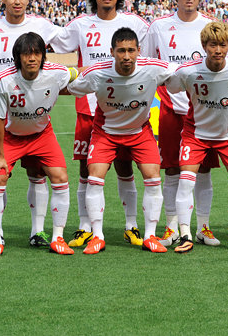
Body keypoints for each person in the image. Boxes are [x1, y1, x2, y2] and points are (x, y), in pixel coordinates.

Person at [51, 0, 150, 249]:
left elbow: (152, 52)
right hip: (90, 109)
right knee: (86, 169)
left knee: (125, 166)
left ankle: (131, 225)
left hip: (126, 109)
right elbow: (54, 44)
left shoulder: (135, 24)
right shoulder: (81, 25)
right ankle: (85, 226)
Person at [66, 27, 171, 254]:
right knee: (94, 175)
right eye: (121, 50)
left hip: (139, 132)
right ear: (111, 51)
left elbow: (183, 73)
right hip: (105, 132)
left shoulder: (153, 68)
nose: (126, 56)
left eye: (131, 50)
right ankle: (98, 236)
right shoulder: (97, 72)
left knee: (153, 175)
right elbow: (72, 87)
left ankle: (150, 235)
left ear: (138, 51)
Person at [0, 0, 61, 248]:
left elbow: (67, 43)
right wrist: (7, 94)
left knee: (38, 175)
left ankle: (37, 231)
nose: (17, 1)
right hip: (6, 112)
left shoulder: (41, 25)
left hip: (35, 118)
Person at [165, 21, 228, 253]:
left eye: (222, 45)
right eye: (212, 45)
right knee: (186, 181)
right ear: (204, 46)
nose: (217, 50)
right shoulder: (188, 71)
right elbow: (171, 84)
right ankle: (186, 233)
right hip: (196, 134)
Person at [0, 32, 76, 258]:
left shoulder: (56, 72)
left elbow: (75, 73)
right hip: (11, 136)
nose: (32, 58)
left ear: (43, 56)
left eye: (36, 53)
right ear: (18, 57)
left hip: (41, 134)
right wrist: (0, 155)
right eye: (26, 54)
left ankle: (57, 237)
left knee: (60, 177)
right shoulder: (4, 79)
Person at [144, 0, 219, 248]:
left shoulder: (210, 26)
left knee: (204, 171)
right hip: (170, 109)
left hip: (205, 110)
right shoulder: (159, 27)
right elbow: (150, 63)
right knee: (172, 169)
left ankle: (204, 227)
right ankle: (172, 226)